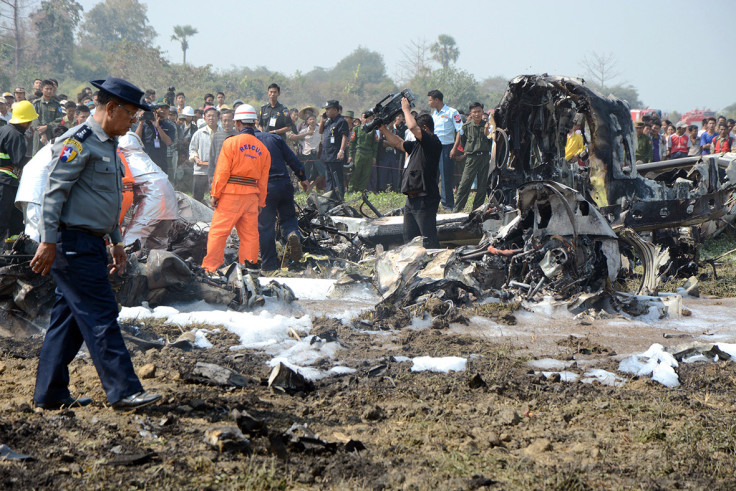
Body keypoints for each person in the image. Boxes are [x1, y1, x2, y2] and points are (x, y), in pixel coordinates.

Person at [29, 77, 161, 411]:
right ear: (111, 107)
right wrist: (47, 241)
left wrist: (115, 241)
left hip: (90, 242)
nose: (132, 122)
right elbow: (52, 194)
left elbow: (106, 199)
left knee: (68, 319)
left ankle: (50, 393)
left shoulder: (109, 144)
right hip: (70, 243)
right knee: (101, 313)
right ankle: (124, 391)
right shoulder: (79, 141)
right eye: (130, 114)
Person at [202, 104, 270, 273]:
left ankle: (210, 269)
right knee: (250, 237)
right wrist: (261, 202)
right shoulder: (263, 149)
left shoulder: (230, 143)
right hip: (251, 197)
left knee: (218, 233)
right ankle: (249, 271)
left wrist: (215, 194)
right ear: (254, 123)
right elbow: (263, 181)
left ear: (238, 123)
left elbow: (222, 172)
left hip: (229, 196)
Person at [378, 97, 442, 248]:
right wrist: (383, 129)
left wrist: (406, 109)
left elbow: (413, 128)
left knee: (428, 240)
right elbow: (399, 143)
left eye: (418, 130)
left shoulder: (432, 142)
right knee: (409, 240)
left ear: (425, 129)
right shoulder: (417, 145)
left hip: (425, 200)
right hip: (411, 200)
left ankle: (434, 268)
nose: (412, 133)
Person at [250, 116, 309, 272]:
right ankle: (291, 233)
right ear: (257, 125)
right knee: (289, 218)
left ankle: (269, 266)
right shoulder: (274, 138)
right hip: (284, 184)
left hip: (265, 189)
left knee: (265, 226)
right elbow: (293, 159)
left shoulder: (245, 143)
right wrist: (303, 178)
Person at [117, 132, 178, 249]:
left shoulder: (124, 161)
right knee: (159, 241)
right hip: (170, 201)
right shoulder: (145, 158)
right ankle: (161, 265)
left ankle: (126, 266)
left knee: (132, 237)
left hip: (153, 200)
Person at [0, 100, 38, 242]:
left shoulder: (4, 129)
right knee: (3, 219)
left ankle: (12, 245)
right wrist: (37, 160)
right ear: (24, 121)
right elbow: (20, 160)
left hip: (8, 182)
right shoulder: (15, 135)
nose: (30, 125)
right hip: (6, 182)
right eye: (29, 121)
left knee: (13, 218)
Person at [451, 102, 491, 212]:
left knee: (482, 186)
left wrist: (487, 129)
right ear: (470, 113)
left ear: (482, 112)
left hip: (484, 158)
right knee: (465, 184)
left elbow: (490, 140)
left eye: (479, 111)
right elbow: (462, 142)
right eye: (474, 112)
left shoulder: (487, 126)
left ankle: (476, 210)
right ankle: (457, 209)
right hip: (471, 158)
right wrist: (468, 152)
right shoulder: (466, 127)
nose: (477, 114)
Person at [427, 90, 462, 211]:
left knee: (446, 177)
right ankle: (433, 204)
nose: (429, 102)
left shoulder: (452, 112)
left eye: (430, 100)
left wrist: (454, 148)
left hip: (447, 148)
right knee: (433, 176)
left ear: (437, 100)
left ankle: (448, 205)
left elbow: (460, 131)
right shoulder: (433, 115)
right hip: (434, 148)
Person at [135, 99, 175, 174]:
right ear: (156, 110)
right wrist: (141, 122)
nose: (164, 111)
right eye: (161, 108)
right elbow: (136, 140)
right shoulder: (144, 124)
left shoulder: (169, 126)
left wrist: (158, 127)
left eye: (166, 108)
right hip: (146, 161)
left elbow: (169, 142)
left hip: (161, 162)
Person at [319, 100, 350, 197]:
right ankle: (330, 198)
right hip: (327, 155)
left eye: (328, 109)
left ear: (335, 110)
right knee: (329, 179)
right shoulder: (328, 122)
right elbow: (320, 131)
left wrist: (341, 150)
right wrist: (322, 121)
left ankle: (340, 198)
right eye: (326, 109)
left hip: (336, 155)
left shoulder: (341, 121)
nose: (326, 111)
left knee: (337, 179)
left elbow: (344, 136)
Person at [189, 106, 219, 202]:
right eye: (208, 116)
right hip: (201, 170)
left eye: (213, 116)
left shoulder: (222, 133)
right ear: (204, 118)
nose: (211, 118)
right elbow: (192, 149)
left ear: (218, 118)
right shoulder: (199, 133)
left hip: (217, 171)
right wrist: (196, 158)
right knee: (197, 198)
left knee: (216, 197)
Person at [348, 111, 379, 192]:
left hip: (369, 154)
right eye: (365, 118)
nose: (367, 120)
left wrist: (374, 157)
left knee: (366, 175)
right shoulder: (356, 129)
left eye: (369, 118)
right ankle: (351, 191)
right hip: (359, 153)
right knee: (355, 173)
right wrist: (350, 155)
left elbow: (375, 144)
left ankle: (361, 192)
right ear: (361, 119)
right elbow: (351, 143)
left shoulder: (373, 131)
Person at [291, 114, 324, 188]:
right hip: (306, 154)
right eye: (310, 119)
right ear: (307, 121)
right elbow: (298, 140)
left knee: (322, 173)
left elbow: (323, 140)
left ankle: (312, 186)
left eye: (313, 119)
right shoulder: (304, 131)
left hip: (315, 155)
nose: (312, 121)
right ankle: (307, 189)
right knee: (307, 175)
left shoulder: (320, 130)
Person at [31, 80, 62, 156]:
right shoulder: (36, 103)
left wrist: (47, 126)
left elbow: (58, 120)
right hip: (38, 135)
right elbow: (34, 120)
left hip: (52, 134)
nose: (49, 91)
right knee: (37, 156)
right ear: (42, 89)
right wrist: (42, 133)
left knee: (50, 156)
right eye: (47, 89)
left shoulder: (56, 104)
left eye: (51, 89)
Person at [209, 108, 236, 185]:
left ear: (233, 121)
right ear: (221, 121)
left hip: (233, 173)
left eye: (229, 120)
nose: (226, 123)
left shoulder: (238, 136)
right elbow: (212, 156)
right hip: (219, 171)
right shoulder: (217, 136)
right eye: (224, 120)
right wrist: (210, 175)